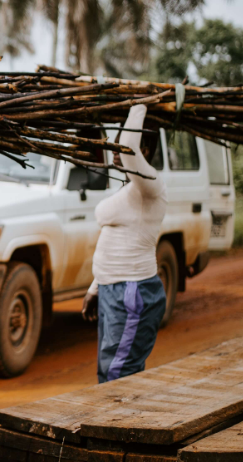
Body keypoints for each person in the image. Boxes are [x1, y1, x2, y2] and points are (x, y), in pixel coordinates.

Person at [81, 105, 168, 383]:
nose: (116, 148)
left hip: (133, 292)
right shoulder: (132, 189)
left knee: (120, 375)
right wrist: (96, 288)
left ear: (145, 146)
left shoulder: (151, 186)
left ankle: (124, 425)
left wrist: (139, 103)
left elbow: (130, 144)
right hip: (113, 291)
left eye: (121, 141)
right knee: (107, 372)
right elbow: (116, 243)